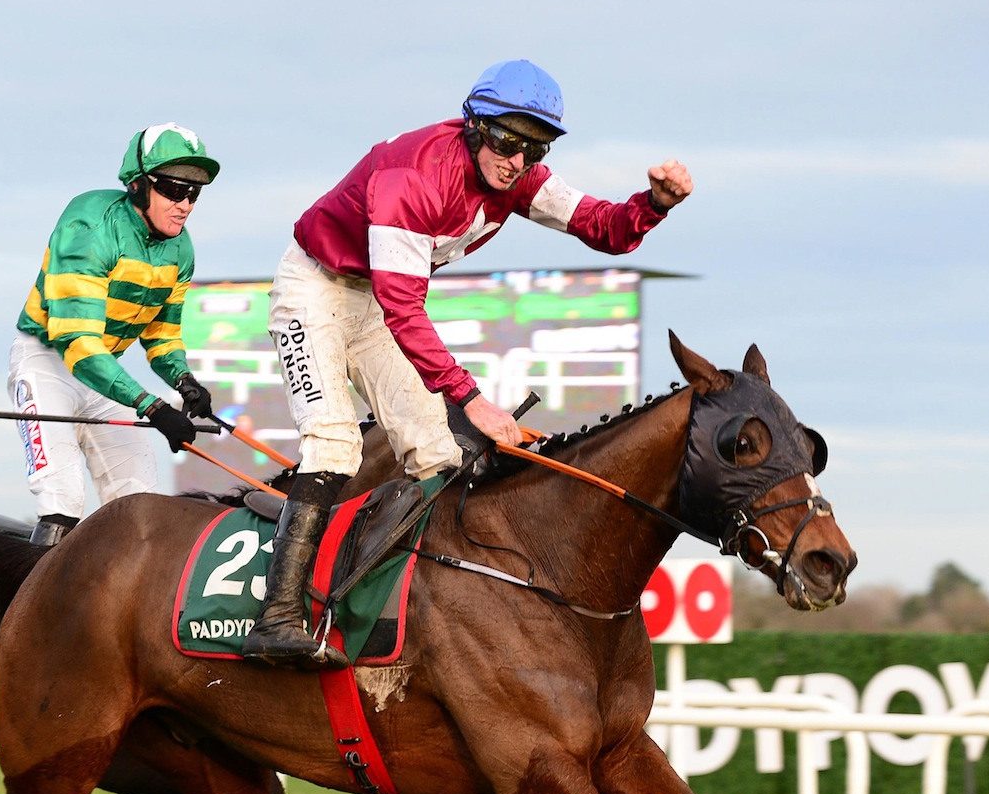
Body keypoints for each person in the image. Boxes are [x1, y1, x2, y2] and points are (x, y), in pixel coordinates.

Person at [243, 60, 694, 668]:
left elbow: (602, 226)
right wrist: (471, 399)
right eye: (507, 140)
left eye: (534, 148)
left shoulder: (521, 178)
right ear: (475, 127)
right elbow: (404, 307)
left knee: (438, 455)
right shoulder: (415, 178)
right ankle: (276, 618)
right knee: (334, 446)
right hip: (314, 289)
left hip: (374, 299)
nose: (518, 160)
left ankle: (399, 607)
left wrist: (653, 205)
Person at [9, 124, 222, 547]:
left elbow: (161, 336)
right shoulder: (89, 225)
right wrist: (154, 407)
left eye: (194, 193)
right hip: (49, 362)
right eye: (174, 190)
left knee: (140, 509)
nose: (185, 205)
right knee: (62, 503)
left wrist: (184, 381)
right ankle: (24, 612)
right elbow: (79, 346)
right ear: (139, 186)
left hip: (106, 371)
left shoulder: (181, 250)